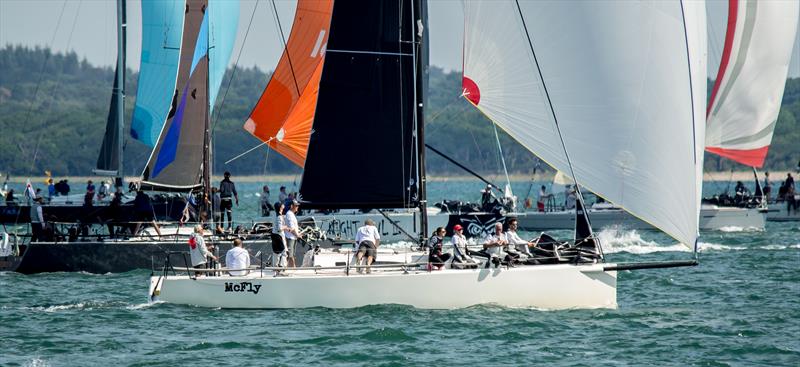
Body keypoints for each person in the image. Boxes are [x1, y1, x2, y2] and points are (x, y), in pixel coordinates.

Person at [283, 199, 302, 267]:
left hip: (293, 237)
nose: (297, 207)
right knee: (290, 255)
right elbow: (292, 228)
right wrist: (297, 235)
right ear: (291, 206)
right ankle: (292, 268)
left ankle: (292, 268)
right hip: (290, 237)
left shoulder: (291, 214)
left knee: (292, 254)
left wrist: (297, 234)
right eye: (296, 206)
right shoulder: (289, 214)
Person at [271, 201, 288, 270]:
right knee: (284, 251)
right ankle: (282, 266)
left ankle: (275, 266)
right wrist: (286, 227)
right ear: (280, 207)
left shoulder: (276, 216)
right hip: (279, 236)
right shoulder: (279, 217)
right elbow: (279, 228)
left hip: (274, 235)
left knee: (276, 252)